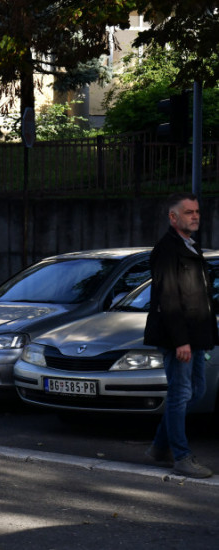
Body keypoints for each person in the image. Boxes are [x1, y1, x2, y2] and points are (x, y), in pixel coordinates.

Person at [144, 192, 216, 479]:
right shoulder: (167, 250)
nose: (195, 216)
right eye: (189, 212)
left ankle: (160, 447)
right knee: (180, 393)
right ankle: (181, 456)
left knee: (195, 391)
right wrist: (180, 341)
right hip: (179, 338)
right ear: (173, 217)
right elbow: (169, 298)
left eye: (197, 211)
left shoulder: (191, 247)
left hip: (196, 336)